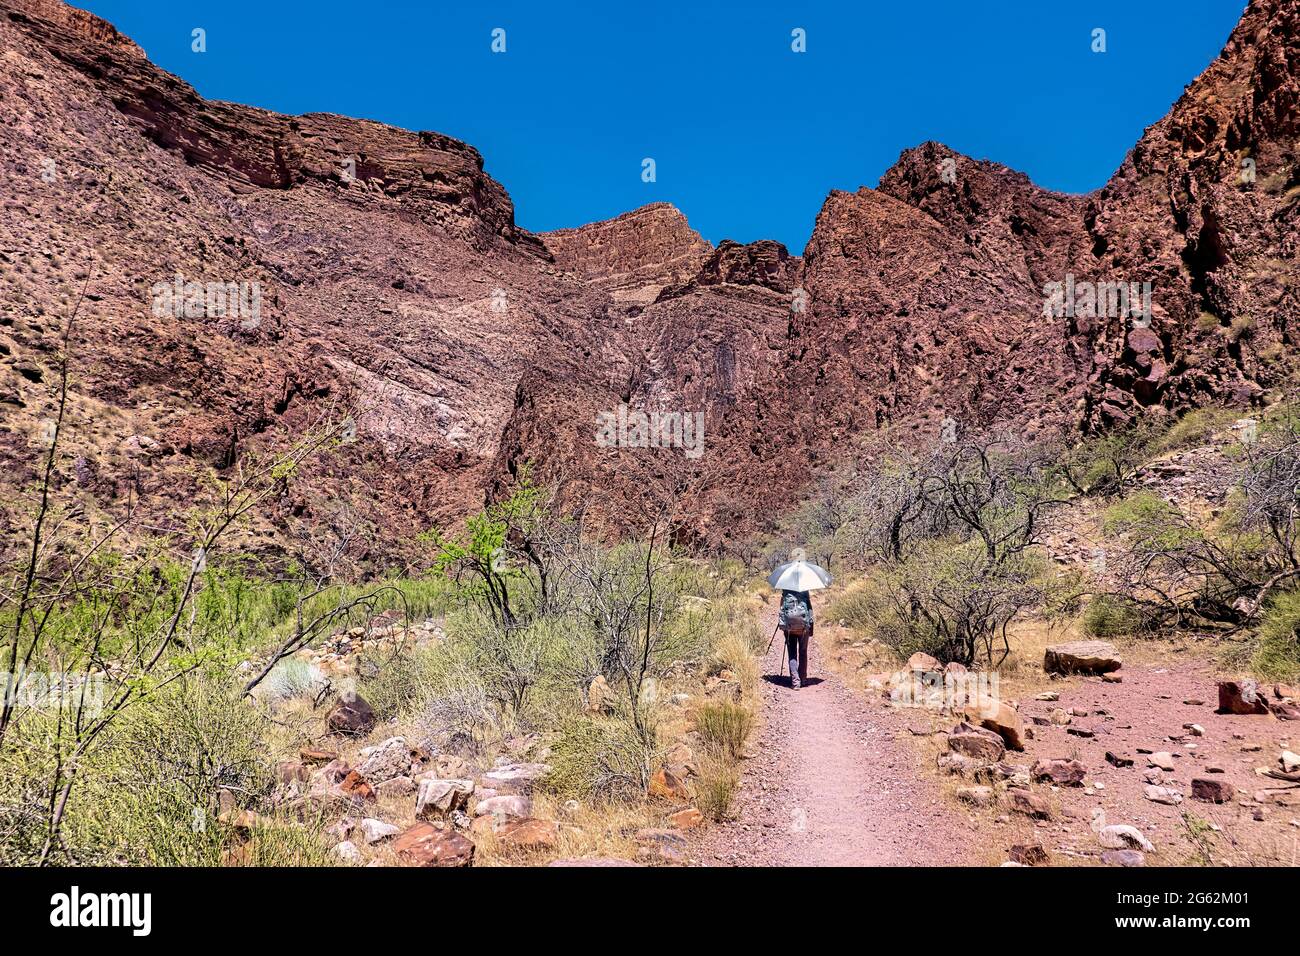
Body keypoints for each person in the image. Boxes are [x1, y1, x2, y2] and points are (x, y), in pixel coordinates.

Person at [778, 587, 813, 689]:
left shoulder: (785, 590)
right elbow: (810, 609)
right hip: (803, 627)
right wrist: (811, 626)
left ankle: (795, 682)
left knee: (792, 653)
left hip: (789, 628)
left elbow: (781, 610)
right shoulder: (805, 589)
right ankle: (803, 679)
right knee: (803, 652)